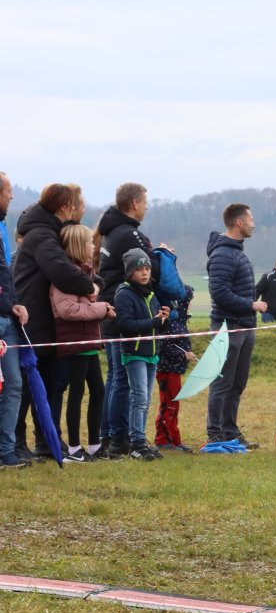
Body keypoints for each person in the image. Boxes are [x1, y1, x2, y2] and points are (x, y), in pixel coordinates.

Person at [13, 184, 95, 455]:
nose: (78, 208)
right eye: (75, 204)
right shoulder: (42, 236)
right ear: (64, 207)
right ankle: (16, 442)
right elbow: (62, 271)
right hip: (32, 318)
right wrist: (89, 286)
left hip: (46, 320)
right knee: (26, 386)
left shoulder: (48, 232)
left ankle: (46, 440)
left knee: (51, 384)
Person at [97, 182, 160, 458]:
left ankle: (109, 436)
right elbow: (153, 269)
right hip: (124, 311)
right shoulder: (129, 234)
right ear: (134, 203)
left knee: (115, 378)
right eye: (145, 202)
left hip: (111, 310)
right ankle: (121, 438)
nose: (146, 207)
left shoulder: (112, 230)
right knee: (122, 380)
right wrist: (161, 256)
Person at [50, 224, 113, 462]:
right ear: (77, 246)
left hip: (88, 341)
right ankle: (75, 449)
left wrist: (102, 310)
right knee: (77, 393)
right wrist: (101, 309)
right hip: (75, 342)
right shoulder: (66, 277)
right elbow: (68, 310)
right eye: (88, 242)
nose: (92, 246)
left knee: (98, 391)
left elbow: (87, 304)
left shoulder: (84, 275)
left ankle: (94, 446)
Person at [205, 204, 265, 449]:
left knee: (237, 383)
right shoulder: (222, 255)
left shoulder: (237, 252)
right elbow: (219, 293)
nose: (253, 224)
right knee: (222, 383)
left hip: (245, 326)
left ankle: (230, 432)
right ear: (239, 222)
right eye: (250, 219)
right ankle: (216, 435)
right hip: (227, 328)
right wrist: (251, 304)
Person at [114, 249, 169, 461]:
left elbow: (155, 324)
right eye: (139, 269)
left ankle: (141, 440)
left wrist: (163, 319)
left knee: (145, 399)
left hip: (151, 353)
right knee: (139, 398)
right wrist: (154, 322)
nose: (145, 273)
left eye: (147, 268)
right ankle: (136, 443)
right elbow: (125, 325)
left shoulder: (150, 293)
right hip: (135, 353)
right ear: (130, 272)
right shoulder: (124, 294)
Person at [0, 172, 31, 468]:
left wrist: (14, 305)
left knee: (14, 384)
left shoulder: (2, 227)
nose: (11, 196)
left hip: (7, 318)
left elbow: (5, 275)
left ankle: (6, 451)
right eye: (8, 190)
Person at [154, 284, 196, 451]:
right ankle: (164, 440)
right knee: (169, 405)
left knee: (174, 404)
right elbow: (164, 346)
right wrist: (183, 355)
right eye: (190, 301)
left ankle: (173, 440)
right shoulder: (172, 323)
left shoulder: (180, 322)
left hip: (175, 370)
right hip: (167, 370)